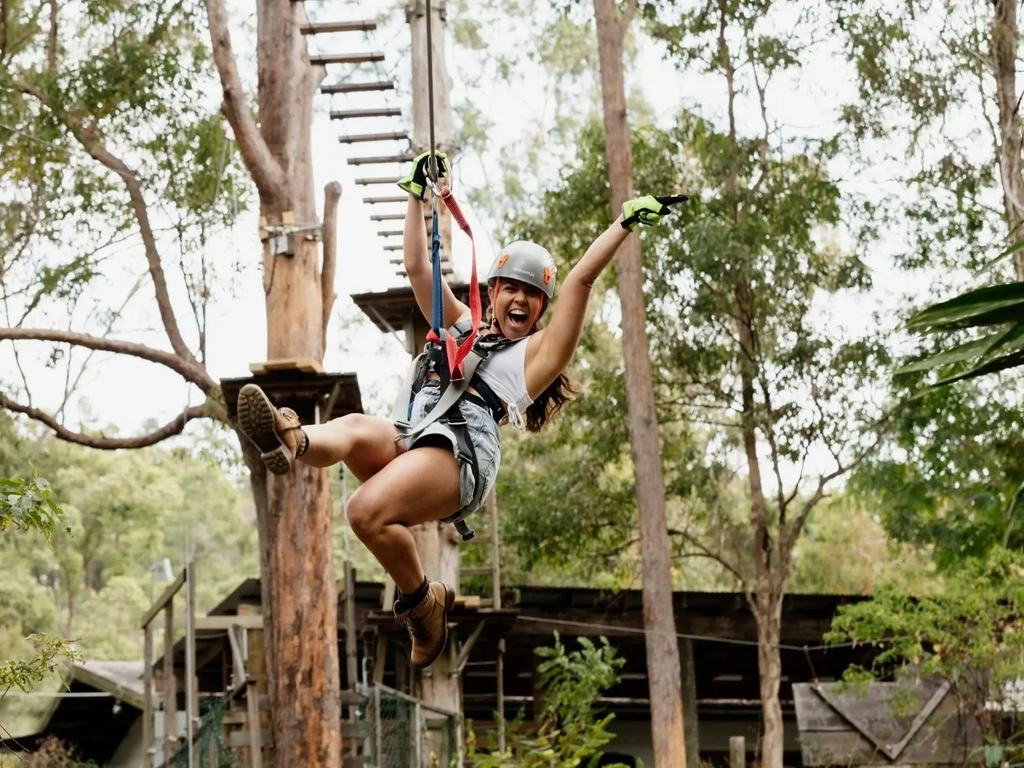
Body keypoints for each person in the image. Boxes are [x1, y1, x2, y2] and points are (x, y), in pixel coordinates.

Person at [234, 152, 684, 669]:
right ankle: (292, 440)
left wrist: (623, 223)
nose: (519, 300)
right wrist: (415, 192)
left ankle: (424, 602)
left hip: (462, 455)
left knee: (362, 512)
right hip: (416, 434)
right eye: (510, 288)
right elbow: (416, 267)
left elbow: (580, 280)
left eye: (532, 295)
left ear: (540, 309)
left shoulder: (535, 358)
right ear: (493, 293)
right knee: (356, 428)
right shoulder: (464, 324)